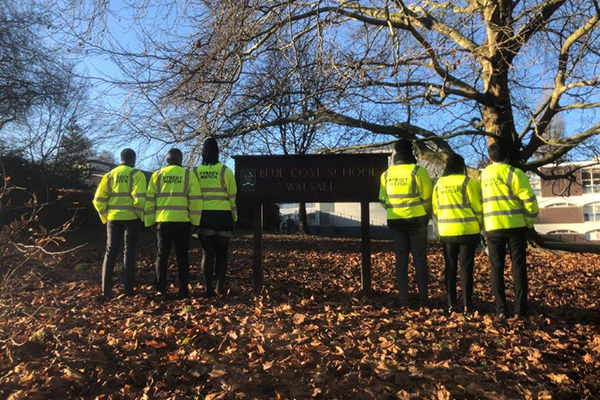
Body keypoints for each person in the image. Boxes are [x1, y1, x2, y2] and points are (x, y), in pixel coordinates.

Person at [481, 141, 539, 319]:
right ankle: (520, 310)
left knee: (496, 268)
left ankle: (500, 309)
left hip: (493, 227)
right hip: (516, 226)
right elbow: (530, 200)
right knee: (518, 267)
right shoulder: (515, 173)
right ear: (506, 156)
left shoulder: (483, 176)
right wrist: (529, 221)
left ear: (490, 158)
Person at [379, 138, 433, 308]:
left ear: (395, 153)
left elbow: (382, 199)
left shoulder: (386, 175)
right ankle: (423, 299)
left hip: (396, 221)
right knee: (419, 259)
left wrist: (395, 209)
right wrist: (423, 212)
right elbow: (427, 198)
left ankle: (403, 299)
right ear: (411, 153)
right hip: (417, 221)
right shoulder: (419, 171)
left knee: (401, 259)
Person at [144, 149, 202, 299]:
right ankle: (183, 290)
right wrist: (195, 222)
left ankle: (160, 289)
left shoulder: (157, 175)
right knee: (182, 256)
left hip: (163, 221)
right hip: (182, 221)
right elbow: (195, 200)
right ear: (181, 160)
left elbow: (150, 200)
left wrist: (149, 221)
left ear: (167, 160)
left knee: (161, 256)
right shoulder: (189, 175)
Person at [93, 148, 146, 299]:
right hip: (131, 219)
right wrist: (140, 216)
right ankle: (128, 289)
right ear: (133, 159)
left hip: (113, 219)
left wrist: (105, 216)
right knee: (129, 253)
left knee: (110, 252)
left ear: (121, 158)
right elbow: (140, 199)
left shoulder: (109, 176)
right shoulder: (137, 175)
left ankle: (106, 289)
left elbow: (98, 200)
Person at [433, 154, 482, 314]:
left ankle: (451, 304)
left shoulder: (440, 183)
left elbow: (435, 207)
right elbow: (477, 207)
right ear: (462, 166)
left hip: (447, 231)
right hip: (468, 231)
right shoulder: (468, 182)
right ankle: (468, 304)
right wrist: (480, 224)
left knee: (450, 268)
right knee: (466, 268)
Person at [193, 138, 237, 297]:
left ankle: (207, 289)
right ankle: (219, 287)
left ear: (202, 152)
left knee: (207, 253)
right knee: (222, 254)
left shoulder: (195, 172)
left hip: (203, 216)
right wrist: (234, 216)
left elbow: (191, 195)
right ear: (217, 151)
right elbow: (232, 195)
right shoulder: (225, 171)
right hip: (223, 215)